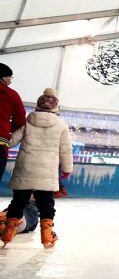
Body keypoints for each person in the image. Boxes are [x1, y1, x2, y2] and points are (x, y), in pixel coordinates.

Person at [0, 88, 72, 249]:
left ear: (39, 104)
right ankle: (47, 236)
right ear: (56, 106)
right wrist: (67, 169)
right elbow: (65, 149)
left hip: (25, 169)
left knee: (18, 203)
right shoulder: (61, 125)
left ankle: (8, 233)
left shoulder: (28, 122)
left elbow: (11, 141)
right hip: (47, 172)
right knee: (47, 204)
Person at [0, 63, 26, 186]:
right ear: (3, 77)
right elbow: (20, 120)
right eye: (10, 77)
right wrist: (6, 128)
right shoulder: (12, 95)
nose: (11, 80)